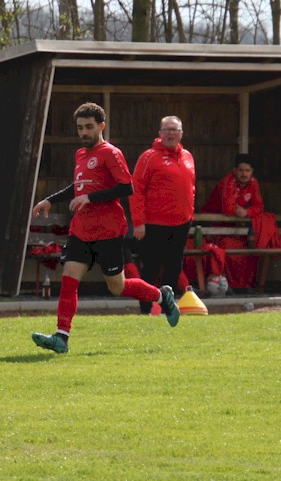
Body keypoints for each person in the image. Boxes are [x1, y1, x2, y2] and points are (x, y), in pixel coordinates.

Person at [30, 103, 180, 354]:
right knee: (69, 280)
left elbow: (126, 188)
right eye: (80, 128)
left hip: (109, 231)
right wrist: (50, 199)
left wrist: (90, 198)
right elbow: (77, 188)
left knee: (117, 287)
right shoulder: (80, 154)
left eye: (89, 127)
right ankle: (61, 338)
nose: (84, 132)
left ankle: (161, 296)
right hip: (81, 230)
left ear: (101, 126)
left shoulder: (111, 153)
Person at [131, 115, 196, 314]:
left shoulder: (188, 156)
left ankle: (168, 308)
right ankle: (145, 310)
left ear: (181, 133)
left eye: (175, 130)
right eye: (167, 129)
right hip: (154, 223)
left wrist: (190, 214)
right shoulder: (149, 157)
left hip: (181, 223)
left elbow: (190, 188)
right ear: (160, 133)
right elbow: (136, 190)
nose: (171, 133)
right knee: (150, 268)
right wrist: (139, 222)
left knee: (174, 268)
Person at [201, 153, 265, 290]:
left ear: (252, 172)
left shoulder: (253, 183)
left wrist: (246, 212)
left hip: (234, 230)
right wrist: (241, 211)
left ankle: (244, 286)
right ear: (234, 170)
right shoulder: (228, 181)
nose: (244, 174)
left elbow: (259, 206)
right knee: (227, 248)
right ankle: (229, 285)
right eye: (241, 170)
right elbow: (228, 209)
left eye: (247, 171)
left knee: (251, 250)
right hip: (214, 228)